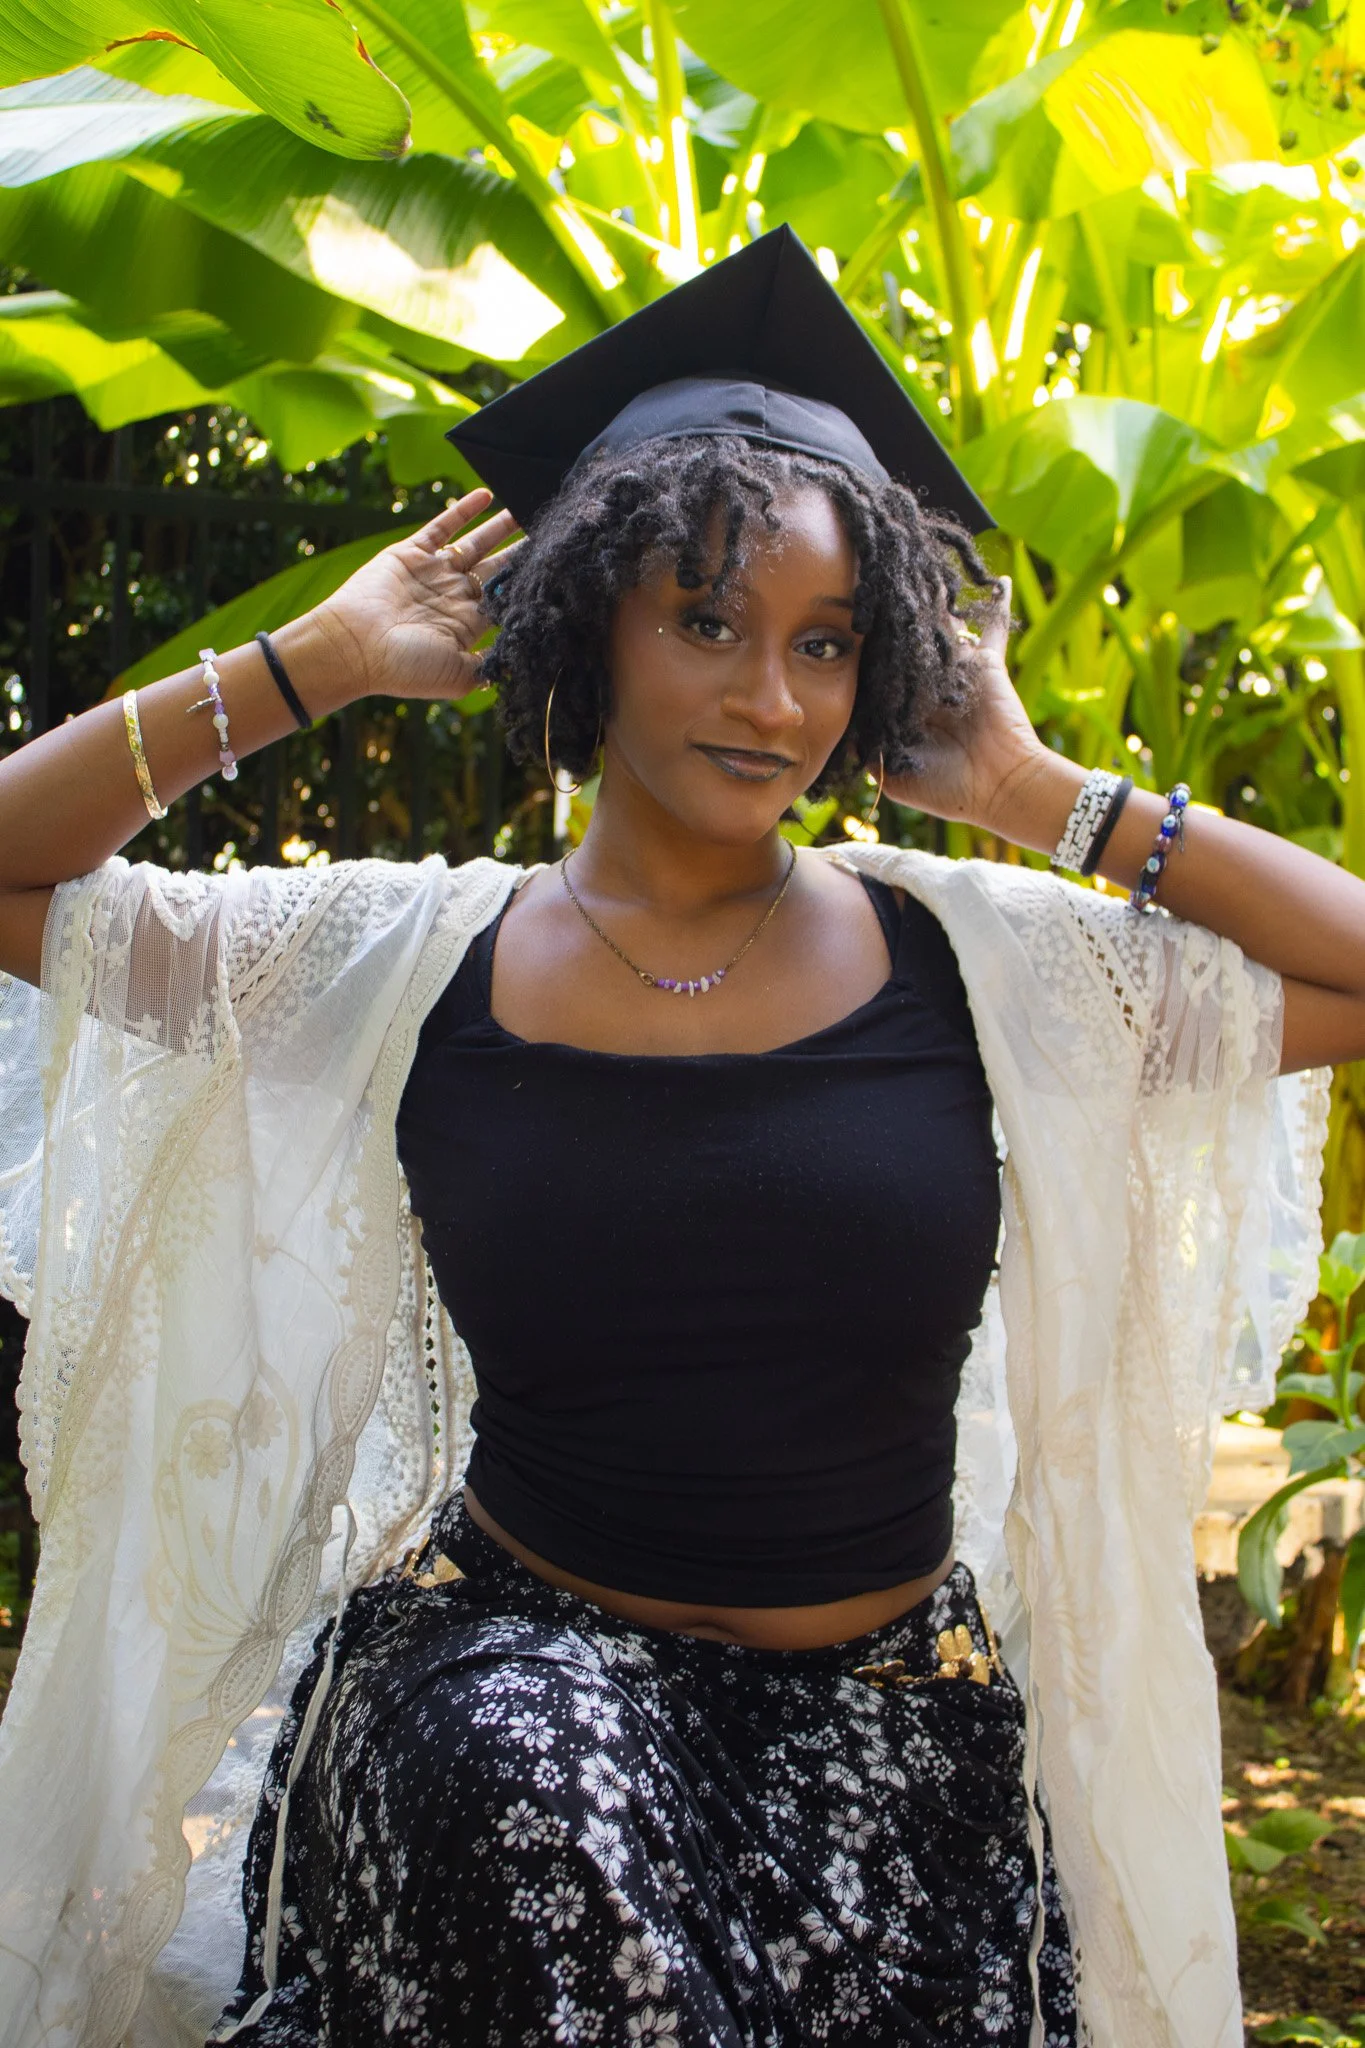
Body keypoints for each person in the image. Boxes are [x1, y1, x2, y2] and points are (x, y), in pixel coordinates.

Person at [0, 229, 1359, 2048]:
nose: (773, 701)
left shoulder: (988, 970)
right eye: (706, 622)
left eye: (825, 645)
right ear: (589, 622)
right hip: (512, 1699)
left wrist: (1035, 792)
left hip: (897, 1734)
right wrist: (307, 666)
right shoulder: (399, 965)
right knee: (549, 1827)